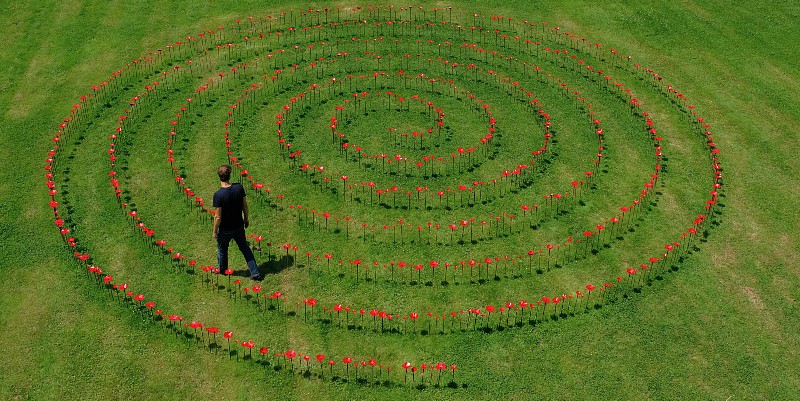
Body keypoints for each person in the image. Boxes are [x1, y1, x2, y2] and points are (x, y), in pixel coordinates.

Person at [212, 164, 261, 281]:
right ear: (229, 175)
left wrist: (214, 231)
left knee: (223, 249)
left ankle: (223, 270)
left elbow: (218, 217)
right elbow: (245, 205)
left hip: (225, 229)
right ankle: (255, 273)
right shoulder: (239, 188)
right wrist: (246, 219)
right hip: (239, 225)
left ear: (219, 176)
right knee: (245, 248)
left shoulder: (218, 195)